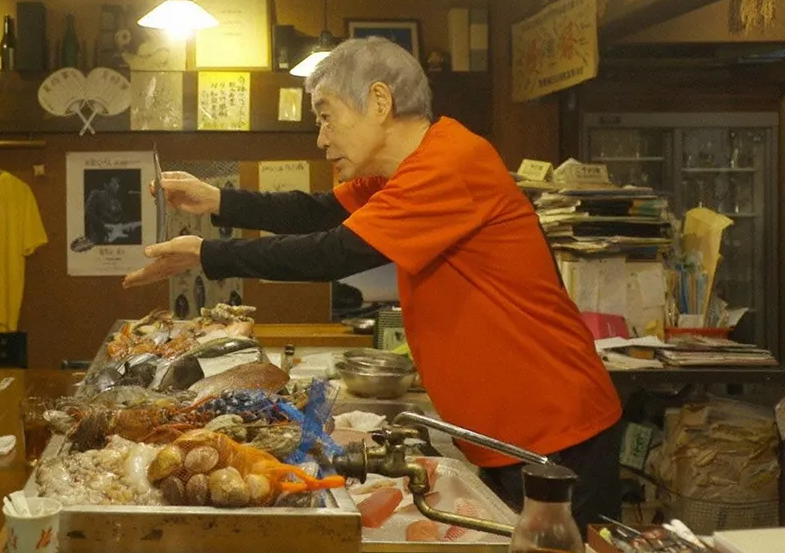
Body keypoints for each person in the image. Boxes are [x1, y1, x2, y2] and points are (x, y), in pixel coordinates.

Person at [122, 37, 623, 532]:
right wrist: (216, 200)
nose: (320, 138)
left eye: (325, 115)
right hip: (506, 429)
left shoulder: (451, 162)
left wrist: (205, 253)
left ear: (379, 101)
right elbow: (315, 211)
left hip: (553, 426)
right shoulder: (399, 174)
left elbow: (333, 252)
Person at [84, 175, 125, 244]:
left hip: (112, 236)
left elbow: (120, 219)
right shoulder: (97, 194)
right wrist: (102, 226)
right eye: (114, 184)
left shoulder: (117, 202)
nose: (117, 186)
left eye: (118, 184)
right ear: (105, 185)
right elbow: (89, 211)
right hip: (96, 235)